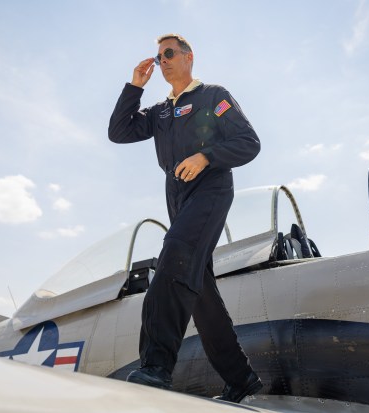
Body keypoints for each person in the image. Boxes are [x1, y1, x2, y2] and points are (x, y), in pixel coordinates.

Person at [108, 33, 262, 403]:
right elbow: (119, 132)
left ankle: (156, 367)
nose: (163, 61)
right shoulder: (160, 112)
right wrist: (134, 86)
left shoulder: (212, 96)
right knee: (199, 291)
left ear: (189, 56)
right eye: (159, 57)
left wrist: (205, 156)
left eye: (170, 53)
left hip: (210, 189)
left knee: (174, 256)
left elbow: (249, 142)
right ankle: (241, 379)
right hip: (176, 196)